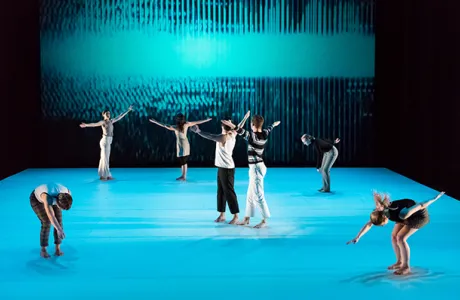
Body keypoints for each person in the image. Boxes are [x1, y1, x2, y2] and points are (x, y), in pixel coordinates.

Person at [346, 190, 445, 275]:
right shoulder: (379, 211)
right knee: (394, 236)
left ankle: (406, 267)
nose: (383, 226)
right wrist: (357, 237)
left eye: (382, 224)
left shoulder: (402, 214)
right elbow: (369, 224)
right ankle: (399, 261)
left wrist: (436, 197)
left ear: (385, 217)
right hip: (402, 215)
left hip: (418, 216)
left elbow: (422, 205)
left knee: (401, 238)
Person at [221, 111, 280, 228]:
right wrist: (274, 124)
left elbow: (240, 131)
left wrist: (231, 125)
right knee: (250, 194)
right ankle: (246, 219)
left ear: (253, 125)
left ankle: (264, 220)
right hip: (256, 167)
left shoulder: (254, 137)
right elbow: (269, 128)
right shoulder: (264, 133)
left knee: (258, 194)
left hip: (257, 169)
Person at [190, 121, 239, 224]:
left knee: (229, 192)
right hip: (222, 167)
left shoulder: (224, 137)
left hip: (227, 168)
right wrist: (245, 118)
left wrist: (198, 131)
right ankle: (222, 215)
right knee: (221, 192)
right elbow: (239, 127)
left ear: (223, 127)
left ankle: (236, 216)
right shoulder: (233, 133)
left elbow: (210, 136)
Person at [149, 114, 212, 181]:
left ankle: (184, 176)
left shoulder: (177, 127)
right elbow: (197, 122)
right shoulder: (184, 125)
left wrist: (155, 122)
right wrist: (206, 119)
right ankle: (183, 175)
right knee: (182, 161)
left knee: (183, 161)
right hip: (183, 144)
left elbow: (164, 125)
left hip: (183, 145)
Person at [80, 106, 133, 180]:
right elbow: (94, 124)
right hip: (105, 141)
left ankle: (103, 174)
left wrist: (128, 110)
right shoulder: (103, 122)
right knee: (105, 158)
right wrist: (86, 125)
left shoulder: (111, 121)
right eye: (107, 113)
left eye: (109, 113)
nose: (108, 114)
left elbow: (120, 116)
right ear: (103, 114)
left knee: (105, 158)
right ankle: (105, 176)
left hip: (108, 141)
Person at [30, 183, 73, 258]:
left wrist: (59, 228)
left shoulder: (68, 193)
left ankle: (57, 248)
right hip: (37, 199)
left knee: (59, 222)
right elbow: (51, 215)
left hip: (54, 197)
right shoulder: (46, 197)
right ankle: (43, 250)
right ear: (58, 203)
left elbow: (57, 220)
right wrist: (59, 230)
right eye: (61, 207)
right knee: (46, 222)